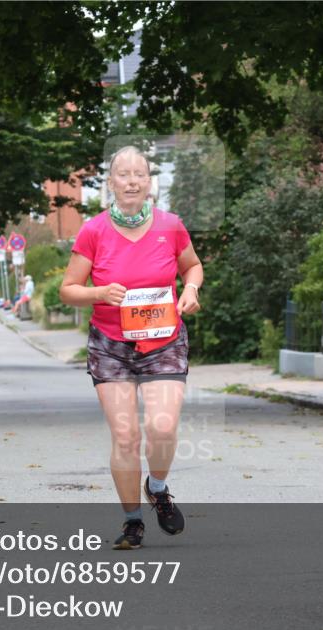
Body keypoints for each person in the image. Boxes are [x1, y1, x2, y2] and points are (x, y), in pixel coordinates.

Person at [60, 145, 203, 550]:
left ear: (148, 181)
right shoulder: (93, 231)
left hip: (164, 341)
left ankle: (156, 488)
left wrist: (190, 287)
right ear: (110, 183)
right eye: (123, 174)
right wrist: (101, 292)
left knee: (162, 426)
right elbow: (68, 290)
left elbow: (192, 265)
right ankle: (132, 522)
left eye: (140, 173)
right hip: (110, 345)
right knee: (125, 437)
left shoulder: (170, 225)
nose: (132, 181)